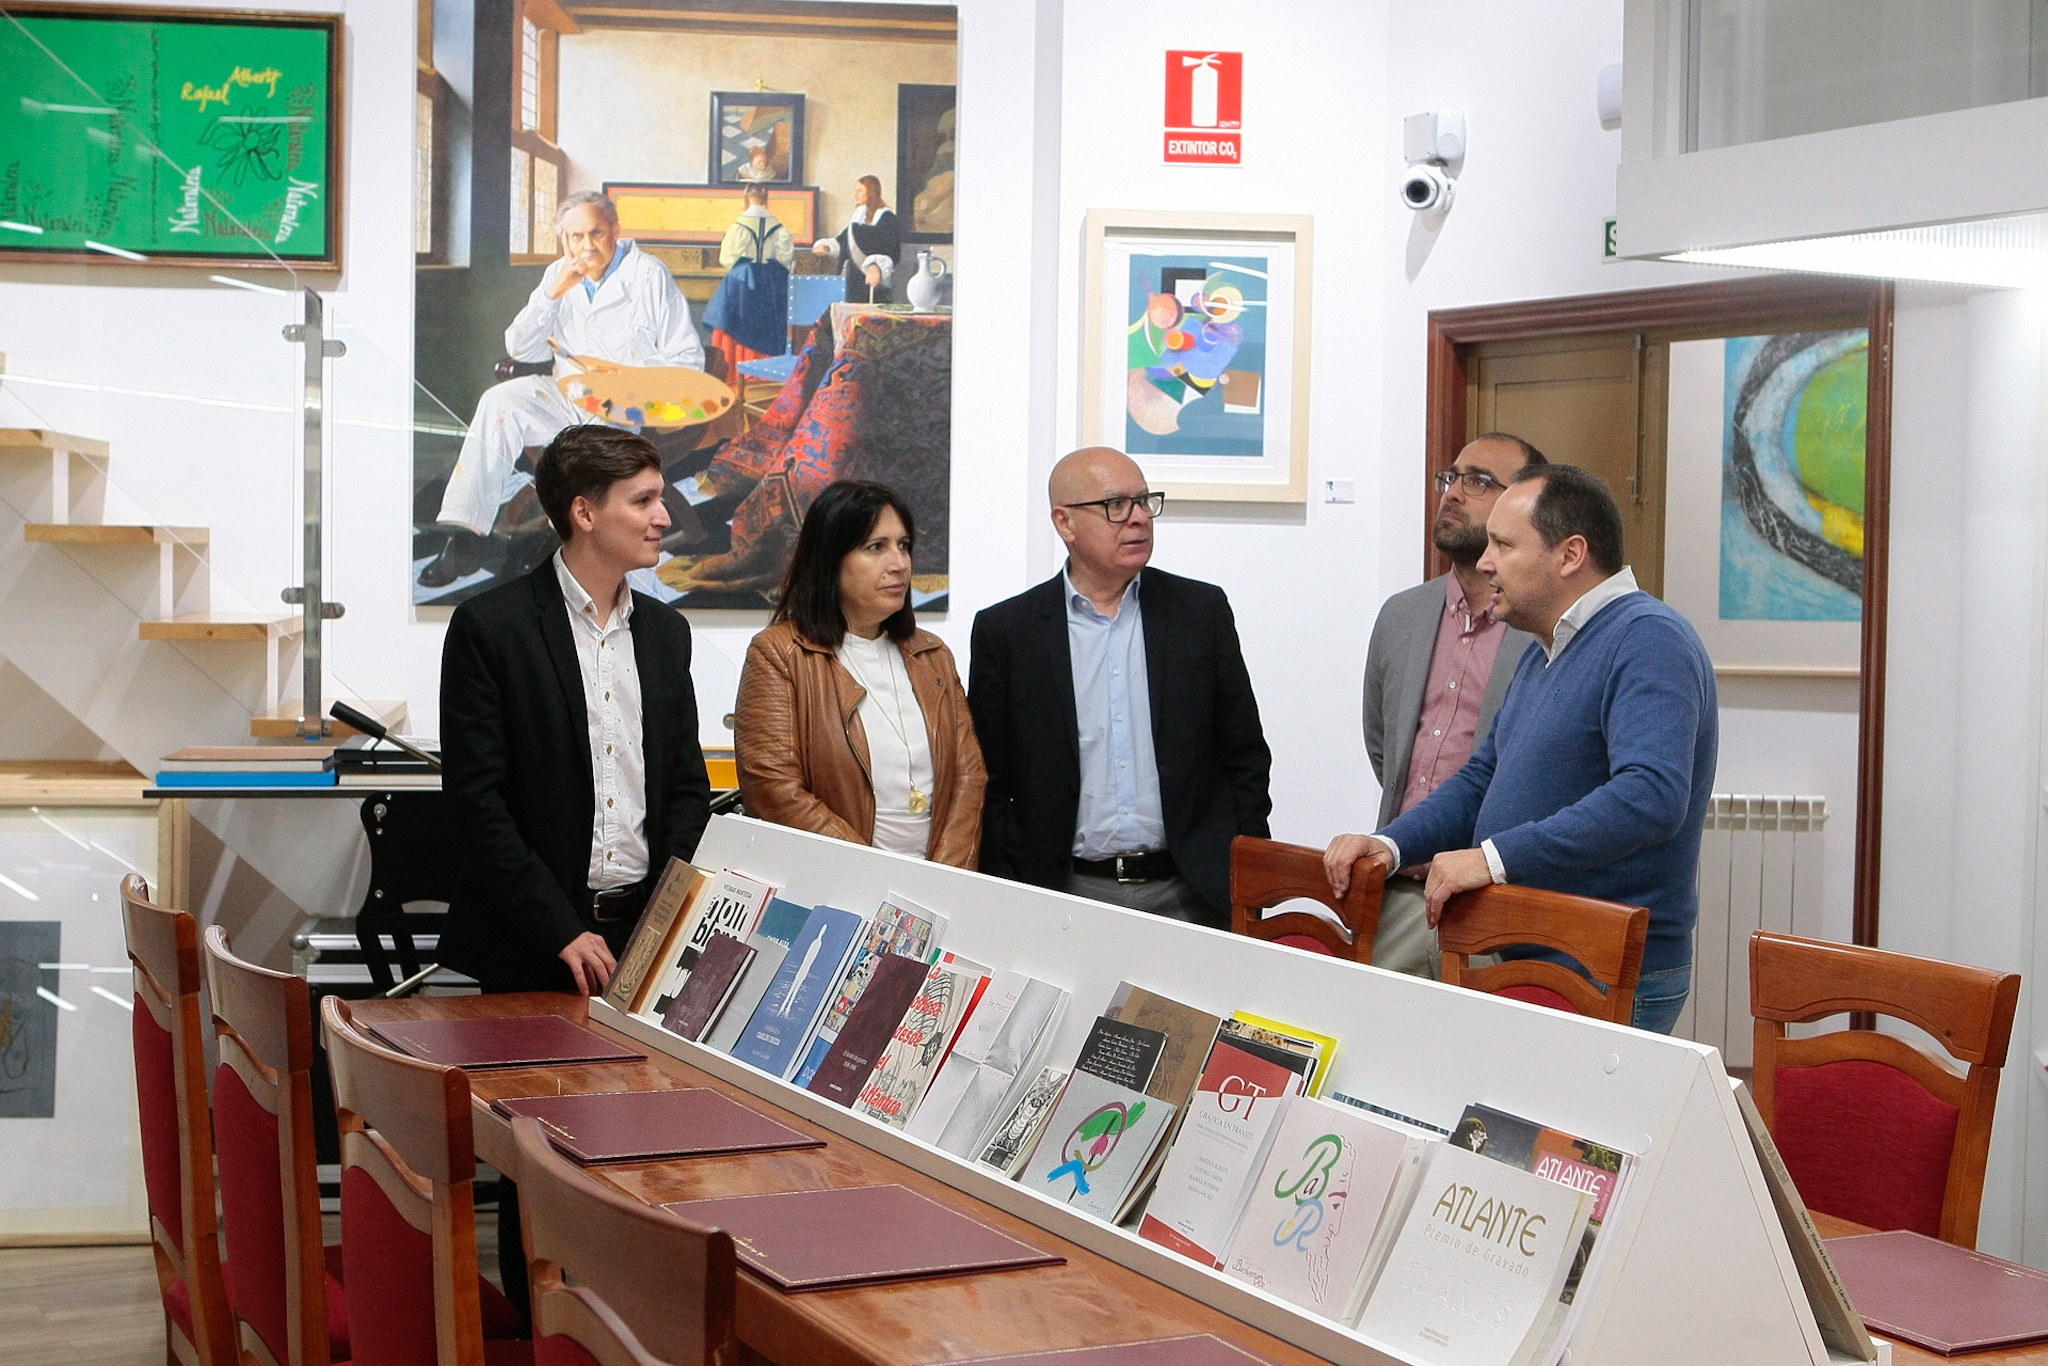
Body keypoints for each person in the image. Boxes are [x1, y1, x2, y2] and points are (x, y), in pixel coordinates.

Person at [1324, 464, 1716, 1033]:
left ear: (1570, 554)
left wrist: (1493, 858)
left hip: (1602, 965)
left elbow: (1650, 796)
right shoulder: (1545, 648)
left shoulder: (1649, 637)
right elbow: (1482, 778)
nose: (1485, 563)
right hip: (1537, 951)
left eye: (1504, 546)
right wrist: (1391, 844)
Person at [438, 422, 714, 997]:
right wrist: (559, 929)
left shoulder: (667, 633)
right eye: (643, 500)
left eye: (660, 498)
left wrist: (666, 915)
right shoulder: (491, 627)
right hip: (532, 941)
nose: (664, 517)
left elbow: (686, 789)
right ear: (584, 513)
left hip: (645, 933)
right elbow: (476, 804)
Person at [969, 446, 1272, 929]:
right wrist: (1006, 884)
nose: (1139, 518)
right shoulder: (1008, 631)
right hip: (1066, 895)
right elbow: (989, 778)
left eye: (1144, 501)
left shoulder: (1200, 612)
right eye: (1116, 505)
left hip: (1193, 892)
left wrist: (1248, 872)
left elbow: (1245, 754)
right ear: (1065, 522)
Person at [422, 190, 705, 588]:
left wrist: (633, 383)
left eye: (596, 233)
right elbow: (522, 349)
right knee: (498, 401)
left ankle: (568, 550)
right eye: (576, 236)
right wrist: (552, 294)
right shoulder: (559, 273)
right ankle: (464, 535)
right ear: (563, 240)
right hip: (565, 394)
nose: (586, 245)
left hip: (623, 406)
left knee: (589, 456)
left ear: (615, 230)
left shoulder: (648, 274)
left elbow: (688, 358)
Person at [1348, 433, 1544, 978]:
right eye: (1451, 477)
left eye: (1478, 481)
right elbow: (1383, 745)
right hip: (1399, 891)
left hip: (1495, 904)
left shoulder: (1541, 630)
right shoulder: (1402, 615)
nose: (1453, 492)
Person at [734, 480, 985, 866]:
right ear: (830, 560)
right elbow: (774, 788)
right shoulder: (780, 653)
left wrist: (944, 879)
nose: (899, 563)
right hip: (834, 884)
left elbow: (969, 777)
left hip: (936, 884)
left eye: (903, 545)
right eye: (876, 547)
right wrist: (872, 875)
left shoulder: (933, 655)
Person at [703, 182, 794, 376]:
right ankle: (765, 375)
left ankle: (736, 373)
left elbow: (727, 258)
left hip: (742, 281)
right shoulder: (778, 227)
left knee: (736, 323)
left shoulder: (739, 225)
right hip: (772, 281)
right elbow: (785, 258)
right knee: (769, 325)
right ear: (766, 199)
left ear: (746, 197)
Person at [811, 175, 901, 304]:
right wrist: (827, 247)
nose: (855, 195)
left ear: (871, 191)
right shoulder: (858, 218)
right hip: (853, 283)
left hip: (873, 285)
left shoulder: (887, 218)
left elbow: (890, 251)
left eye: (859, 190)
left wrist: (876, 266)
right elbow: (844, 241)